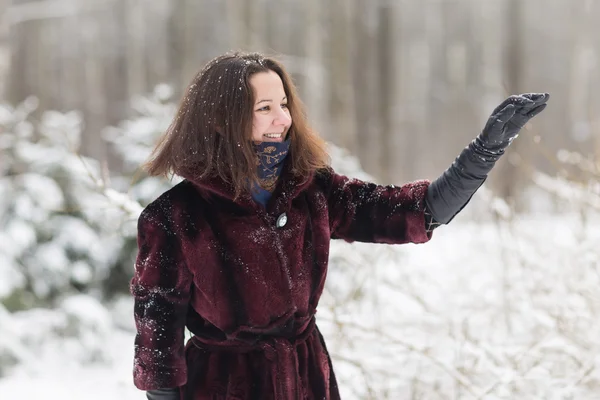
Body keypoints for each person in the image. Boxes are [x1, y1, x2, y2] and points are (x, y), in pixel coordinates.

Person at [130, 51, 549, 400]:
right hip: (222, 387)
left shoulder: (311, 190)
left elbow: (414, 210)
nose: (283, 118)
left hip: (308, 378)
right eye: (264, 108)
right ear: (221, 120)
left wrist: (485, 150)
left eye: (283, 104)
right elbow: (158, 345)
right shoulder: (174, 217)